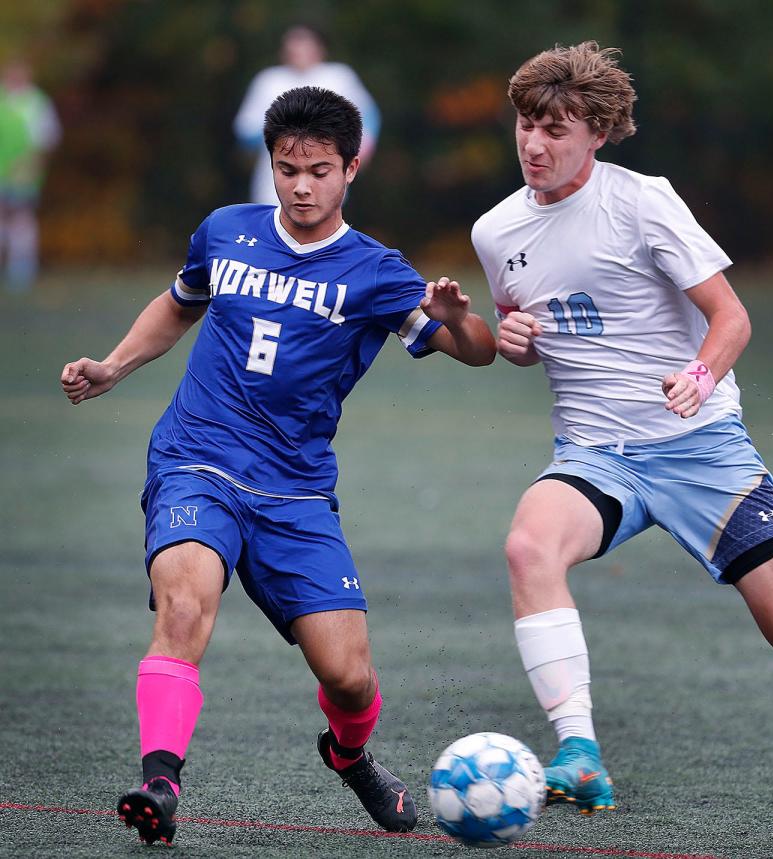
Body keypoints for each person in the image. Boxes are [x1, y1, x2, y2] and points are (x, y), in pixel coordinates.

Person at [471, 41, 773, 852]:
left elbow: (731, 317)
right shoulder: (499, 228)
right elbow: (524, 332)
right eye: (525, 124)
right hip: (598, 455)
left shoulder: (644, 203)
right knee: (529, 543)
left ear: (596, 133)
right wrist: (514, 337)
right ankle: (580, 750)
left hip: (702, 450)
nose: (534, 144)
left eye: (554, 128)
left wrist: (700, 375)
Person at [61, 85, 496, 847]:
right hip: (197, 459)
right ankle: (161, 782)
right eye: (287, 167)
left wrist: (459, 316)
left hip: (294, 492)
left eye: (319, 170)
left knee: (350, 676)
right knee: (185, 606)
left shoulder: (376, 270)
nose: (300, 185)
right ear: (270, 162)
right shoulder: (224, 232)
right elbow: (179, 303)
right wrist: (114, 366)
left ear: (351, 169)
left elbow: (476, 350)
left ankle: (349, 755)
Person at [234, 25, 379, 205]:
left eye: (304, 44)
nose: (298, 51)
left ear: (320, 48)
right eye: (293, 45)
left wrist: (361, 151)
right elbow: (245, 129)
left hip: (326, 180)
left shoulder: (338, 77)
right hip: (274, 184)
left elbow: (368, 117)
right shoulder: (269, 81)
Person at [0, 58, 61, 292]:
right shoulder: (3, 100)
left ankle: (20, 271)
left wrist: (31, 167)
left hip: (23, 175)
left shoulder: (36, 103)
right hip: (2, 173)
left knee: (21, 219)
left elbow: (47, 139)